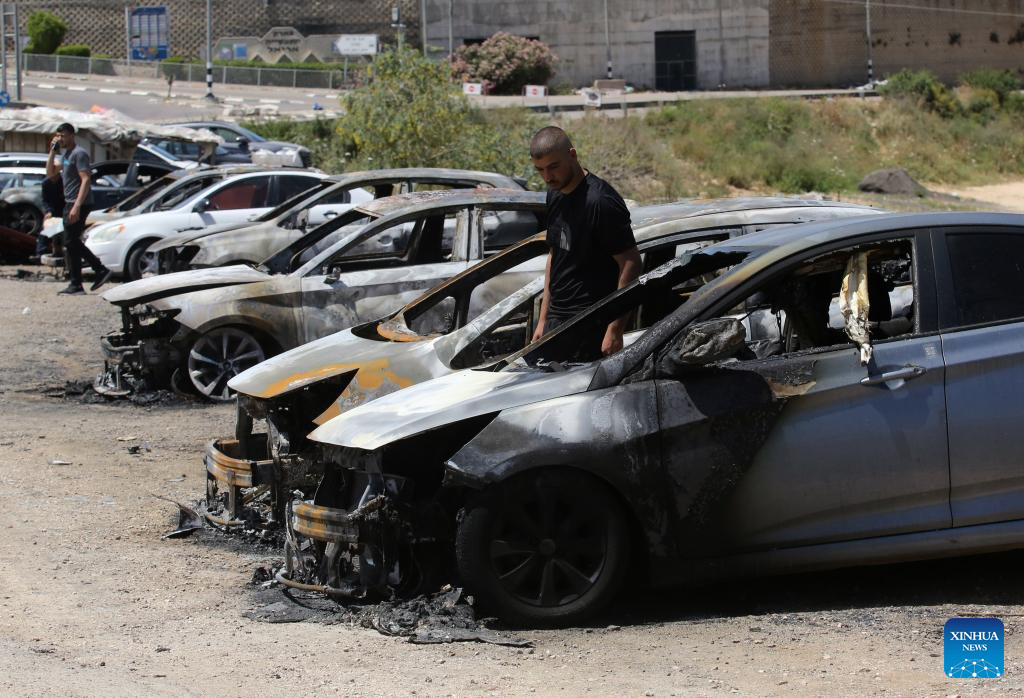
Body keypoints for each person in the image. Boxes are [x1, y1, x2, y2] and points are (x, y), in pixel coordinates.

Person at [529, 126, 641, 361]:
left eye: (553, 167)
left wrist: (614, 329)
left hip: (591, 324)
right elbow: (555, 255)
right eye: (540, 170)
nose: (548, 177)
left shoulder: (600, 201)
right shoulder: (555, 194)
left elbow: (631, 263)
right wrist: (543, 319)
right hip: (556, 323)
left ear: (573, 155)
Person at [46, 122, 111, 295]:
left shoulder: (79, 154)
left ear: (72, 135)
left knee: (70, 241)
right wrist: (52, 152)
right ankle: (76, 284)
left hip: (79, 203)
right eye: (58, 136)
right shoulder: (66, 154)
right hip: (69, 202)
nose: (61, 139)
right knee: (71, 243)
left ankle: (99, 269)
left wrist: (77, 206)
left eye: (64, 136)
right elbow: (51, 174)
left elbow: (86, 179)